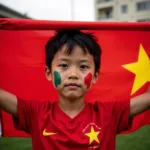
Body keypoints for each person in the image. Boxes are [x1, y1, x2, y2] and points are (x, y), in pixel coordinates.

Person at [0, 30, 150, 150]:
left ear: (95, 76)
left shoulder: (109, 114)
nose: (73, 74)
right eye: (64, 65)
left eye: (83, 67)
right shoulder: (35, 113)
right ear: (48, 73)